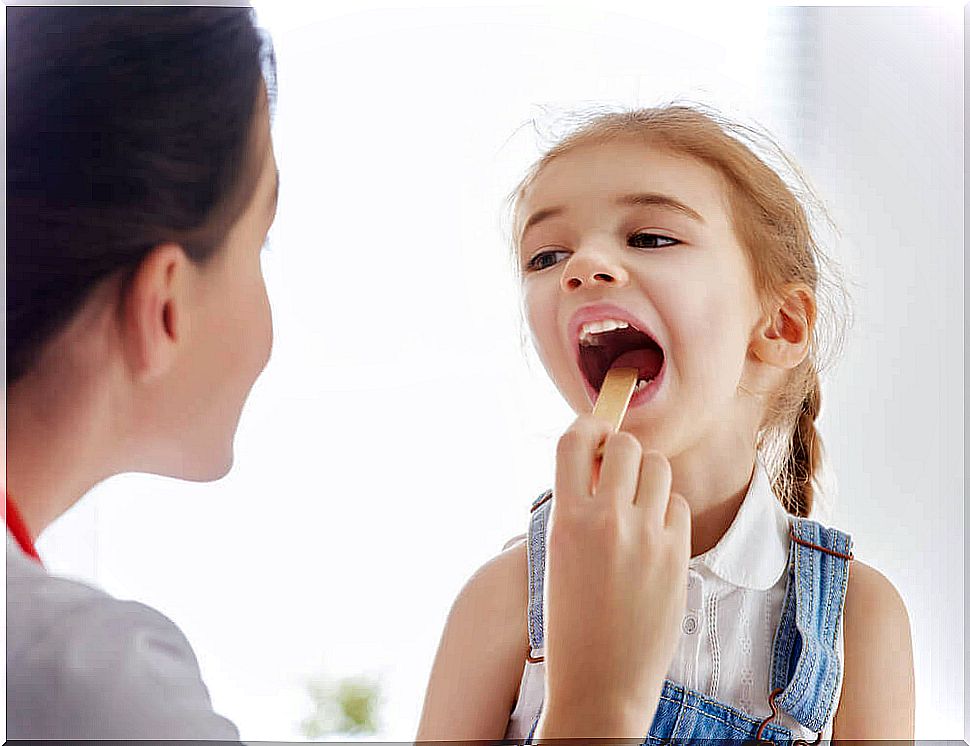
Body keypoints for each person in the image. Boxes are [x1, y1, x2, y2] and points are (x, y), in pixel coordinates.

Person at [6, 7, 679, 740]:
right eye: (259, 244)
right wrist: (599, 707)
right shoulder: (85, 685)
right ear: (165, 306)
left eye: (652, 238)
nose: (587, 270)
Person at [416, 107, 916, 741]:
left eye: (650, 238)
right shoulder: (503, 600)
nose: (582, 266)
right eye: (546, 255)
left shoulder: (858, 619)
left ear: (779, 325)